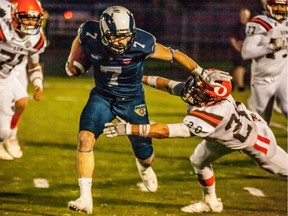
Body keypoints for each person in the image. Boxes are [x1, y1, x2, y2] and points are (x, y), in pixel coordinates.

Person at [65, 5, 232, 214]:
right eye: (115, 37)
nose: (121, 41)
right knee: (85, 139)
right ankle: (85, 198)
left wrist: (201, 71)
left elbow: (173, 55)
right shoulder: (90, 32)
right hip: (103, 96)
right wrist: (73, 60)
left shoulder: (141, 42)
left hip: (132, 100)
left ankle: (144, 166)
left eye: (125, 37)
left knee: (146, 155)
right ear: (104, 33)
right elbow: (80, 39)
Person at [103, 72, 288, 213]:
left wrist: (129, 129)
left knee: (282, 169)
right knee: (199, 160)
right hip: (223, 135)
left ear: (213, 98)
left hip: (254, 140)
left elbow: (167, 131)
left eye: (200, 90)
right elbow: (167, 84)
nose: (193, 90)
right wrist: (137, 77)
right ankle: (210, 202)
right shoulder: (208, 96)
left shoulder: (211, 114)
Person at [0, 0, 46, 160]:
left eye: (34, 19)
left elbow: (34, 64)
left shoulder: (35, 39)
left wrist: (38, 84)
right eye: (26, 18)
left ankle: (9, 137)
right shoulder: (3, 29)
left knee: (20, 103)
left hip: (6, 74)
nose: (31, 23)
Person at [241, 0, 287, 124]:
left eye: (282, 6)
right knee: (261, 120)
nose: (278, 8)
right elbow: (247, 53)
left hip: (284, 74)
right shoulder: (260, 23)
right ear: (268, 6)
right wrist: (271, 47)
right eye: (275, 5)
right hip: (263, 77)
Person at [229, 8, 251, 92]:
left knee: (242, 68)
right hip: (238, 50)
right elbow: (233, 39)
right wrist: (237, 48)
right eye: (243, 15)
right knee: (240, 67)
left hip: (247, 50)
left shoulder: (249, 26)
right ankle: (240, 86)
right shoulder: (237, 26)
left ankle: (232, 82)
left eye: (246, 15)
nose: (245, 17)